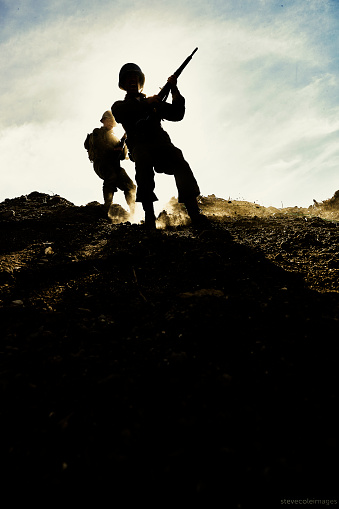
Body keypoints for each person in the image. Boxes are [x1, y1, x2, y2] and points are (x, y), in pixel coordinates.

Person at [111, 63, 208, 229]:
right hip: (140, 147)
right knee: (143, 160)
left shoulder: (153, 102)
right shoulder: (120, 105)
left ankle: (194, 213)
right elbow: (121, 113)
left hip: (161, 146)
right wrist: (147, 103)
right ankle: (149, 218)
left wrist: (174, 89)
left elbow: (178, 114)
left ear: (141, 83)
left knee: (178, 157)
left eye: (135, 78)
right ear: (124, 84)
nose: (132, 81)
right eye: (128, 79)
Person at [91, 110, 136, 218]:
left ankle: (134, 213)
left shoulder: (115, 138)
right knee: (111, 177)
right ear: (104, 121)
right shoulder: (97, 132)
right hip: (101, 163)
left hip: (114, 165)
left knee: (130, 185)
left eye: (113, 121)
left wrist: (122, 145)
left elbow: (122, 156)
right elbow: (100, 146)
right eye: (109, 120)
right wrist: (114, 149)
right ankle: (105, 209)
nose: (111, 123)